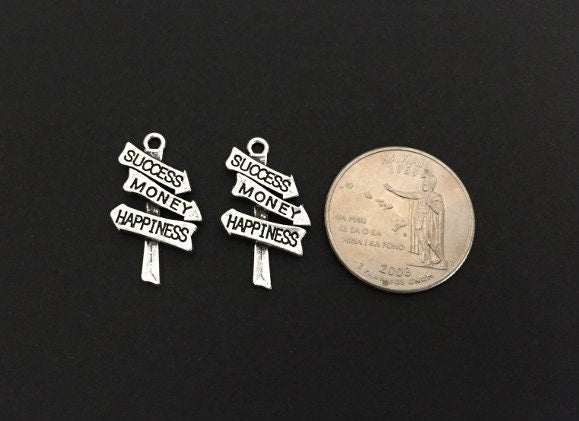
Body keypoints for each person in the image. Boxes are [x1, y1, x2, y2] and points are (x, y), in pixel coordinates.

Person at [384, 170, 448, 269]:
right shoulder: (420, 194)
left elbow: (439, 211)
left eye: (425, 183)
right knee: (422, 242)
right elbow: (406, 194)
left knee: (433, 243)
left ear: (431, 184)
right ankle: (428, 261)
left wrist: (430, 204)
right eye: (423, 183)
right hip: (419, 221)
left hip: (428, 221)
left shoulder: (436, 196)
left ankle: (443, 261)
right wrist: (392, 190)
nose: (423, 185)